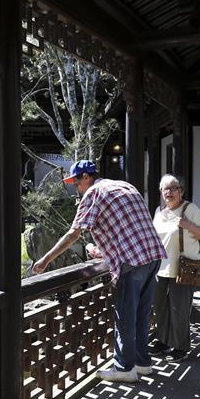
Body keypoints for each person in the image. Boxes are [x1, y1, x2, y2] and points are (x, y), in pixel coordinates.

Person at [34, 160, 166, 382]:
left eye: (76, 182)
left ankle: (124, 368)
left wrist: (45, 260)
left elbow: (74, 233)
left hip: (131, 262)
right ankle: (143, 363)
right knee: (142, 314)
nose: (76, 187)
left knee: (125, 316)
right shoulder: (125, 186)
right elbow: (127, 228)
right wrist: (104, 251)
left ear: (86, 177)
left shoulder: (94, 193)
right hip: (152, 255)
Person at [149, 174, 200, 362]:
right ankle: (163, 341)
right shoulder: (158, 211)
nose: (169, 192)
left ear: (181, 191)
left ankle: (181, 346)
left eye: (174, 188)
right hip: (160, 267)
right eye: (165, 189)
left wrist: (187, 225)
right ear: (161, 192)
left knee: (179, 309)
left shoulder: (189, 209)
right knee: (159, 307)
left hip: (183, 267)